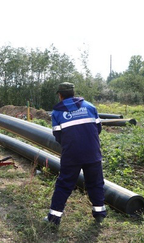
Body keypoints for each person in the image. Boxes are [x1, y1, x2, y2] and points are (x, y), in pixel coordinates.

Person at [45, 82, 107, 226]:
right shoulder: (90, 107)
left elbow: (58, 136)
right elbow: (98, 129)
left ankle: (54, 219)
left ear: (60, 96)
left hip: (71, 155)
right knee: (96, 183)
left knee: (64, 185)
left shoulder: (57, 112)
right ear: (73, 93)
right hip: (93, 153)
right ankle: (99, 215)